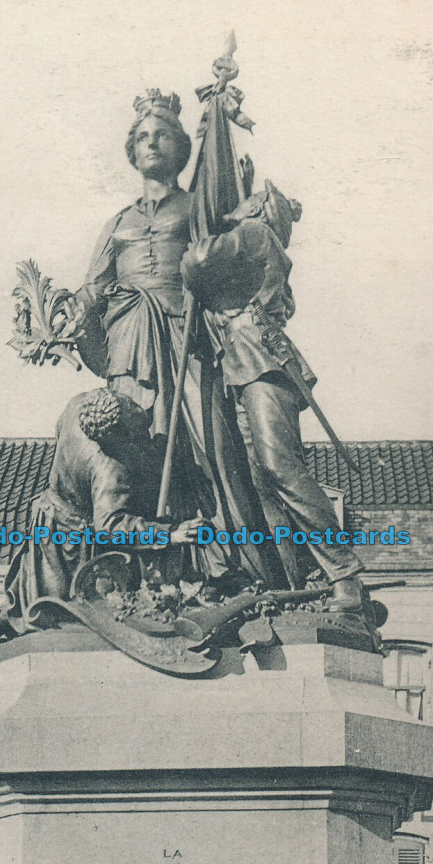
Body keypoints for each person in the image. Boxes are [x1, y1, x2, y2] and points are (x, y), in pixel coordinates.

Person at [54, 90, 287, 591]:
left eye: (161, 134)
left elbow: (229, 251)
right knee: (130, 452)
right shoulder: (117, 223)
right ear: (132, 150)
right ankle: (139, 575)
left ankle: (237, 567)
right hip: (130, 347)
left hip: (188, 341)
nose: (151, 142)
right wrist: (72, 308)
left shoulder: (197, 207)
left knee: (211, 449)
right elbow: (94, 286)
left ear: (181, 147)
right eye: (142, 136)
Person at [180, 180, 364, 609]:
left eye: (249, 197)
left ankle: (345, 574)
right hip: (242, 366)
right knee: (261, 480)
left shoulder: (255, 233)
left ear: (259, 209)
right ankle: (293, 578)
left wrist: (206, 233)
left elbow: (196, 259)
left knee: (280, 468)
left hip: (261, 361)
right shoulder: (252, 249)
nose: (240, 201)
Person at [0, 389, 205, 663]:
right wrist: (170, 534)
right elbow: (110, 526)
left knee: (40, 602)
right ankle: (5, 623)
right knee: (71, 615)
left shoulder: (76, 407)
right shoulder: (108, 467)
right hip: (75, 537)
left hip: (47, 516)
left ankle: (2, 621)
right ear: (116, 436)